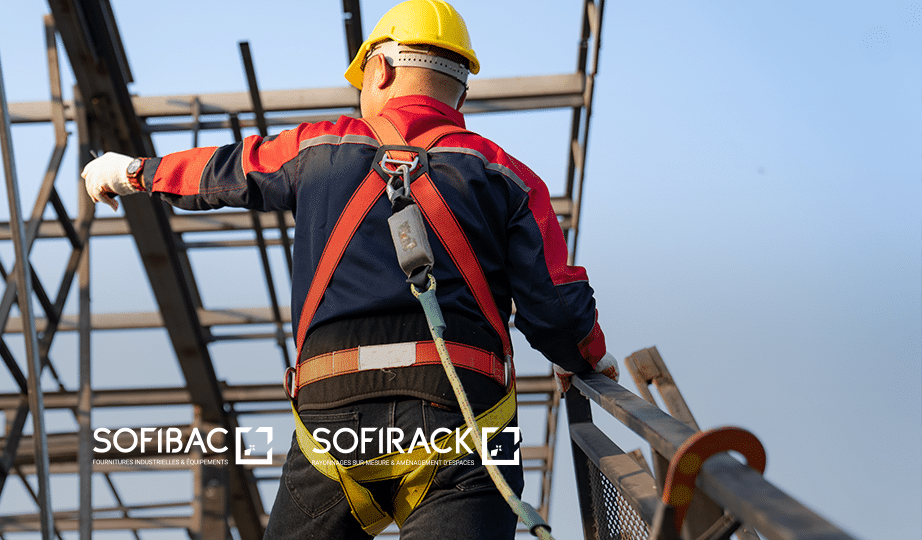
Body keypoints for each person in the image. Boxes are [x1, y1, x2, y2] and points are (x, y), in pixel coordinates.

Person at [83, 1, 617, 537]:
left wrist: (134, 172)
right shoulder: (508, 176)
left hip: (332, 416)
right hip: (464, 422)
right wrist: (582, 356)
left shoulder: (321, 146)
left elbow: (227, 171)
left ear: (380, 69)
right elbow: (554, 301)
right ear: (462, 90)